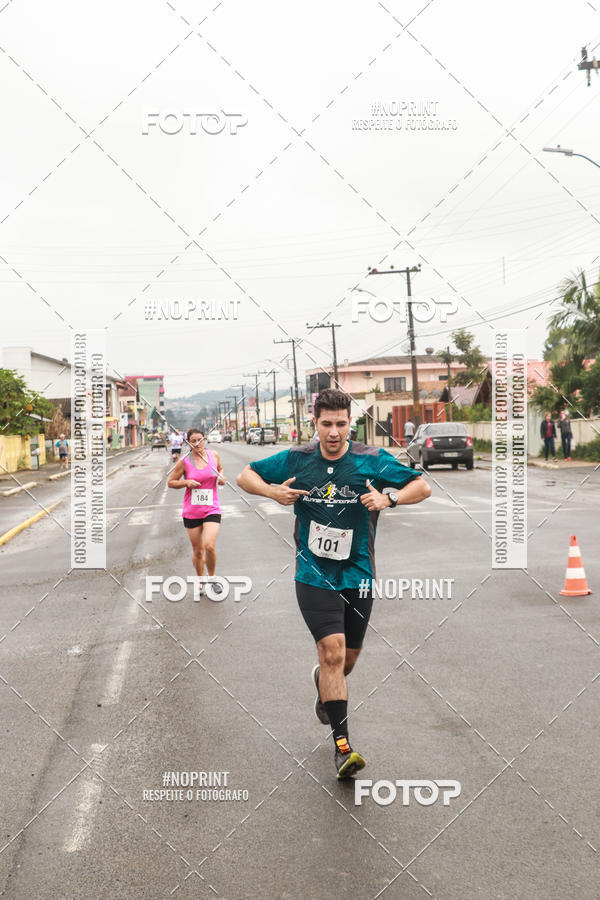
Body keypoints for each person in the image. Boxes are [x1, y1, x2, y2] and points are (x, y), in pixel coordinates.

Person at [237, 388, 431, 779]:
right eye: (326, 424)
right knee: (332, 651)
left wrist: (390, 501)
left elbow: (422, 486)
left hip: (358, 574)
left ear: (350, 424)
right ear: (315, 423)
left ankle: (323, 684)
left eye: (341, 424)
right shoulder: (297, 459)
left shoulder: (370, 460)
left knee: (347, 661)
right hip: (314, 575)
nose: (333, 432)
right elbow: (245, 475)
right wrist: (273, 491)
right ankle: (343, 749)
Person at [168, 429, 226, 593]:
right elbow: (171, 482)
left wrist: (221, 477)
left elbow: (220, 469)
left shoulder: (213, 455)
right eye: (193, 441)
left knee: (209, 546)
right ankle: (201, 580)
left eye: (200, 440)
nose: (197, 443)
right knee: (198, 550)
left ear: (204, 440)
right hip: (192, 510)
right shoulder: (184, 461)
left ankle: (213, 578)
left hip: (212, 508)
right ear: (188, 443)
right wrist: (186, 482)